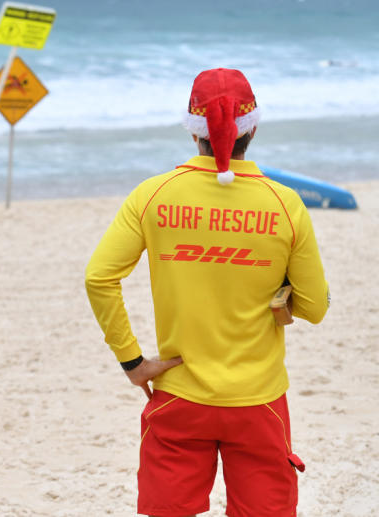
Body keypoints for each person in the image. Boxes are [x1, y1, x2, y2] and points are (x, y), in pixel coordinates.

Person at [84, 68, 329, 516]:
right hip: (258, 400)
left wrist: (134, 362)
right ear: (251, 128)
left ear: (192, 130)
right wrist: (276, 288)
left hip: (179, 394)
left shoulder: (153, 194)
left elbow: (99, 278)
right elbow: (315, 308)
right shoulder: (284, 203)